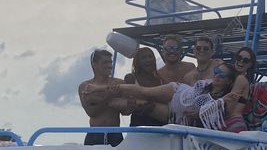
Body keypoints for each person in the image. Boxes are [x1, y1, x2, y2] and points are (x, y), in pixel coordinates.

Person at [82, 63, 240, 131]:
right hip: (176, 93)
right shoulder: (207, 83)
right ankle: (98, 88)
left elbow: (209, 117)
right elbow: (194, 92)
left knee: (142, 104)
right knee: (144, 92)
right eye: (216, 72)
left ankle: (105, 102)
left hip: (177, 116)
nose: (217, 76)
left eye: (222, 74)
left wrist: (219, 102)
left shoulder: (224, 101)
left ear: (229, 80)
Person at [78, 49, 133, 146]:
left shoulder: (119, 83)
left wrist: (130, 102)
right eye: (105, 62)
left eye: (110, 62)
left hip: (115, 133)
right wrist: (109, 97)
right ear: (94, 64)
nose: (109, 65)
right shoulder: (85, 86)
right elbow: (91, 112)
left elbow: (126, 112)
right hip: (95, 134)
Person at [124, 47, 165, 126]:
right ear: (138, 62)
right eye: (143, 58)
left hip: (159, 125)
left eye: (150, 57)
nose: (148, 60)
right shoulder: (131, 78)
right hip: (139, 124)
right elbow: (126, 111)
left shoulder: (161, 79)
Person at [224, 47, 257, 133]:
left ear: (250, 64)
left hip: (232, 123)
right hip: (234, 123)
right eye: (239, 58)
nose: (241, 61)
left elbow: (229, 108)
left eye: (245, 60)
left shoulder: (241, 79)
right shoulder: (240, 79)